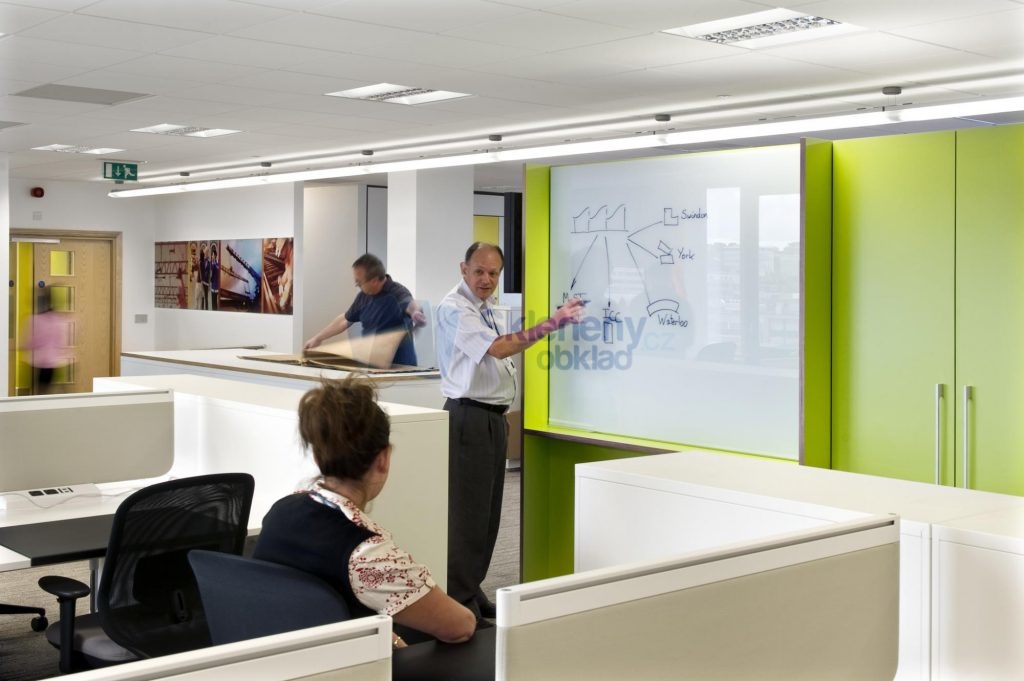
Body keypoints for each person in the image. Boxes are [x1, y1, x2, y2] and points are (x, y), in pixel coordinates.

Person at [253, 376, 477, 648]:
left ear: (317, 456)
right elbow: (459, 626)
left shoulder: (281, 511)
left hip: (277, 657)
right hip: (346, 663)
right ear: (382, 459)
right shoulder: (366, 554)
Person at [435, 242, 585, 617]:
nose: (486, 279)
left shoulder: (486, 308)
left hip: (491, 418)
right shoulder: (455, 308)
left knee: (487, 516)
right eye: (479, 271)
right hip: (468, 418)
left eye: (494, 273)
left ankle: (472, 589)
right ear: (463, 268)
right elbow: (499, 349)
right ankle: (457, 599)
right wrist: (553, 322)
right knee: (467, 516)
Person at [304, 254, 426, 367]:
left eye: (359, 283)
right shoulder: (363, 297)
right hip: (373, 365)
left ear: (374, 281)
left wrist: (416, 313)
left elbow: (410, 304)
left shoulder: (396, 292)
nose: (357, 286)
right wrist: (318, 338)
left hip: (399, 367)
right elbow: (344, 321)